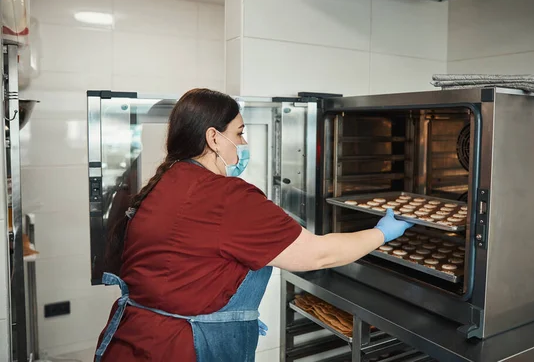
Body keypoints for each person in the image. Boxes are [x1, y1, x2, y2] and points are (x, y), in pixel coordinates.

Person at [95, 89, 413, 362]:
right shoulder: (226, 197)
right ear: (213, 138)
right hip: (183, 349)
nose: (244, 142)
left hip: (131, 340)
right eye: (239, 132)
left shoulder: (165, 181)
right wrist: (381, 232)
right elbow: (318, 255)